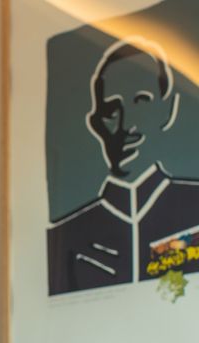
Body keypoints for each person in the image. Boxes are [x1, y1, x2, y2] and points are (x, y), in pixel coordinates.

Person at [47, 36, 199, 295]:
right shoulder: (64, 239)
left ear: (167, 109)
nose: (126, 125)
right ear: (95, 123)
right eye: (111, 111)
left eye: (141, 102)